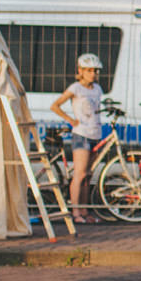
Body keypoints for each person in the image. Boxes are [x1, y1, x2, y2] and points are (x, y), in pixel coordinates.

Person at [50, 53, 107, 223]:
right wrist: (70, 120)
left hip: (95, 134)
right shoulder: (75, 88)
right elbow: (55, 105)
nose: (93, 74)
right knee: (80, 173)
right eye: (89, 70)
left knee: (88, 175)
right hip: (81, 134)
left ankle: (85, 210)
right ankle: (75, 212)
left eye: (95, 71)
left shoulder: (97, 89)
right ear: (81, 71)